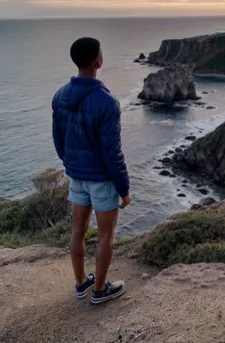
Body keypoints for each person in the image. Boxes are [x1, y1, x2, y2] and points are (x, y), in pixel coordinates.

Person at [52, 37, 130, 305]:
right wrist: (124, 189)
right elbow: (113, 153)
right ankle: (99, 291)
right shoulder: (107, 103)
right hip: (102, 180)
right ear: (98, 61)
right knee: (106, 235)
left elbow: (59, 141)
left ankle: (80, 283)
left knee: (78, 232)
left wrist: (71, 165)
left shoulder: (59, 96)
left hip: (76, 177)